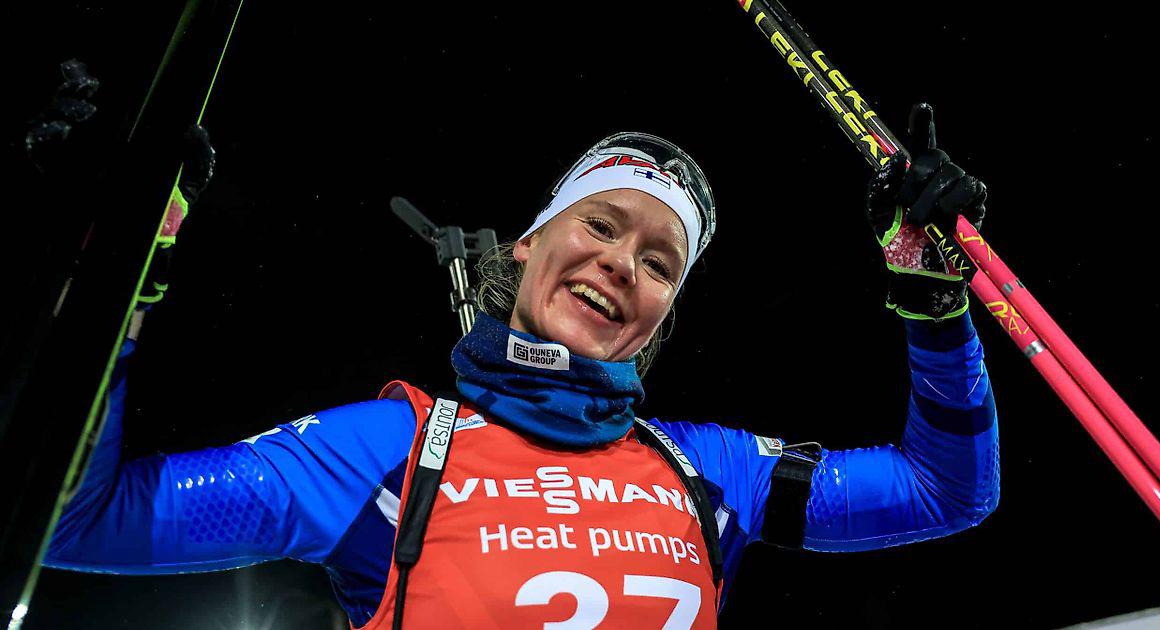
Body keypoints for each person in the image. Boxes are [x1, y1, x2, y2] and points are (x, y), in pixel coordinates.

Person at [44, 106, 999, 629]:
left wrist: (933, 306)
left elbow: (946, 491)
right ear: (531, 243)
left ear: (662, 315)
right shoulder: (387, 454)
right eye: (601, 224)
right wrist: (119, 283)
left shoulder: (707, 473)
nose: (620, 263)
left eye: (659, 263)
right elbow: (72, 519)